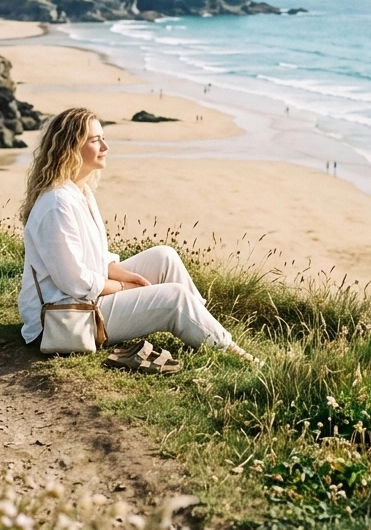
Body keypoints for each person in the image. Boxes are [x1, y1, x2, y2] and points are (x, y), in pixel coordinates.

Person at [17, 107, 256, 363]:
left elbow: (97, 258)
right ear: (71, 147)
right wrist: (123, 287)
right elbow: (76, 283)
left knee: (164, 257)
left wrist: (127, 276)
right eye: (95, 140)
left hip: (83, 301)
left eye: (103, 138)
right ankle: (235, 355)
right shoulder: (57, 204)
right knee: (174, 297)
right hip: (63, 318)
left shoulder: (80, 191)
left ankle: (202, 325)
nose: (105, 146)